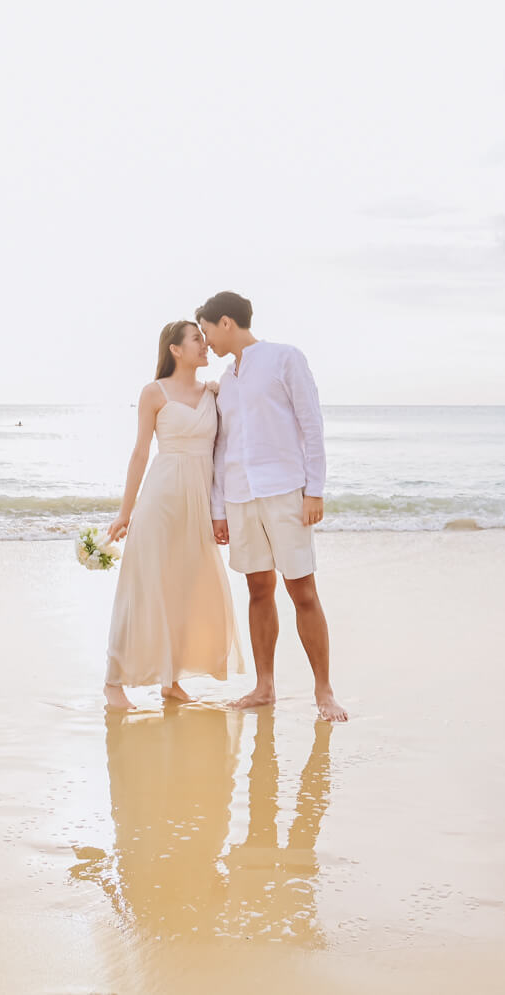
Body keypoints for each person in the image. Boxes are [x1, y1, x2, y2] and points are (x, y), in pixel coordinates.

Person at [197, 291, 348, 723]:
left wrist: (314, 490)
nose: (206, 341)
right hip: (240, 497)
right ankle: (264, 687)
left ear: (226, 322)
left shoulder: (285, 358)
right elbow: (223, 447)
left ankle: (324, 690)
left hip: (285, 491)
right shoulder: (226, 380)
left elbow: (311, 424)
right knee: (258, 590)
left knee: (302, 590)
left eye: (207, 330)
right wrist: (218, 508)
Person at [101, 321, 245, 711]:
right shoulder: (154, 393)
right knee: (143, 587)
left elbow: (224, 453)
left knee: (188, 588)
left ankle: (172, 679)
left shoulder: (213, 392)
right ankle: (114, 682)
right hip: (161, 500)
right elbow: (139, 454)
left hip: (197, 503)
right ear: (176, 350)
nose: (205, 345)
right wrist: (124, 513)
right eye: (197, 339)